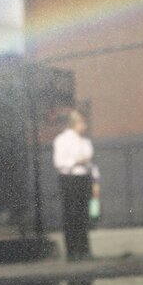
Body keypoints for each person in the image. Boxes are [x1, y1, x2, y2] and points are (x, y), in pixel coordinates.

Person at [53, 110, 99, 262]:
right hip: (69, 178)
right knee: (71, 215)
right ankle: (72, 251)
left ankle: (84, 250)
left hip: (83, 178)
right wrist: (76, 161)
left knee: (83, 215)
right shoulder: (62, 140)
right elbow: (59, 162)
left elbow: (91, 163)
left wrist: (95, 181)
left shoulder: (85, 142)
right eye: (82, 123)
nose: (84, 126)